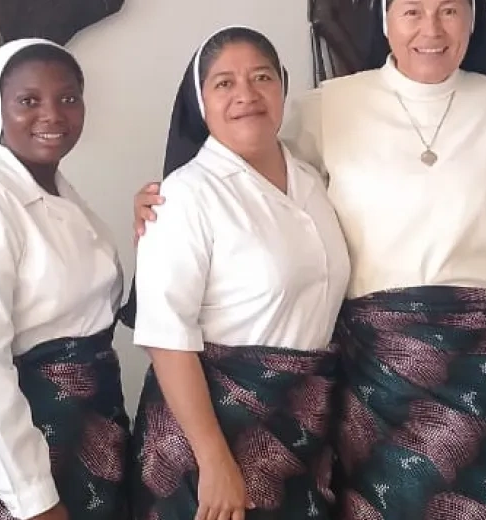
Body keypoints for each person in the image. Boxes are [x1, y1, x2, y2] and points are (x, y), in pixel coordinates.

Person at [134, 0, 486, 519]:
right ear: (385, 22)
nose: (430, 29)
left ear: (472, 20)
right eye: (411, 11)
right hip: (376, 371)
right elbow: (246, 158)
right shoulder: (327, 107)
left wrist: (479, 287)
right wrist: (157, 201)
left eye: (449, 11)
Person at [129, 26, 351, 520]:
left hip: (301, 429)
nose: (246, 95)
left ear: (283, 87)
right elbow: (166, 337)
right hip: (212, 440)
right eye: (224, 83)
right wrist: (213, 459)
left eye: (261, 77)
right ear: (200, 101)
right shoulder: (185, 196)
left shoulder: (312, 180)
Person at [0, 39, 130, 520]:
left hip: (84, 432)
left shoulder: (54, 191)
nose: (52, 114)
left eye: (68, 98)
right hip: (17, 450)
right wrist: (32, 499)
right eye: (28, 100)